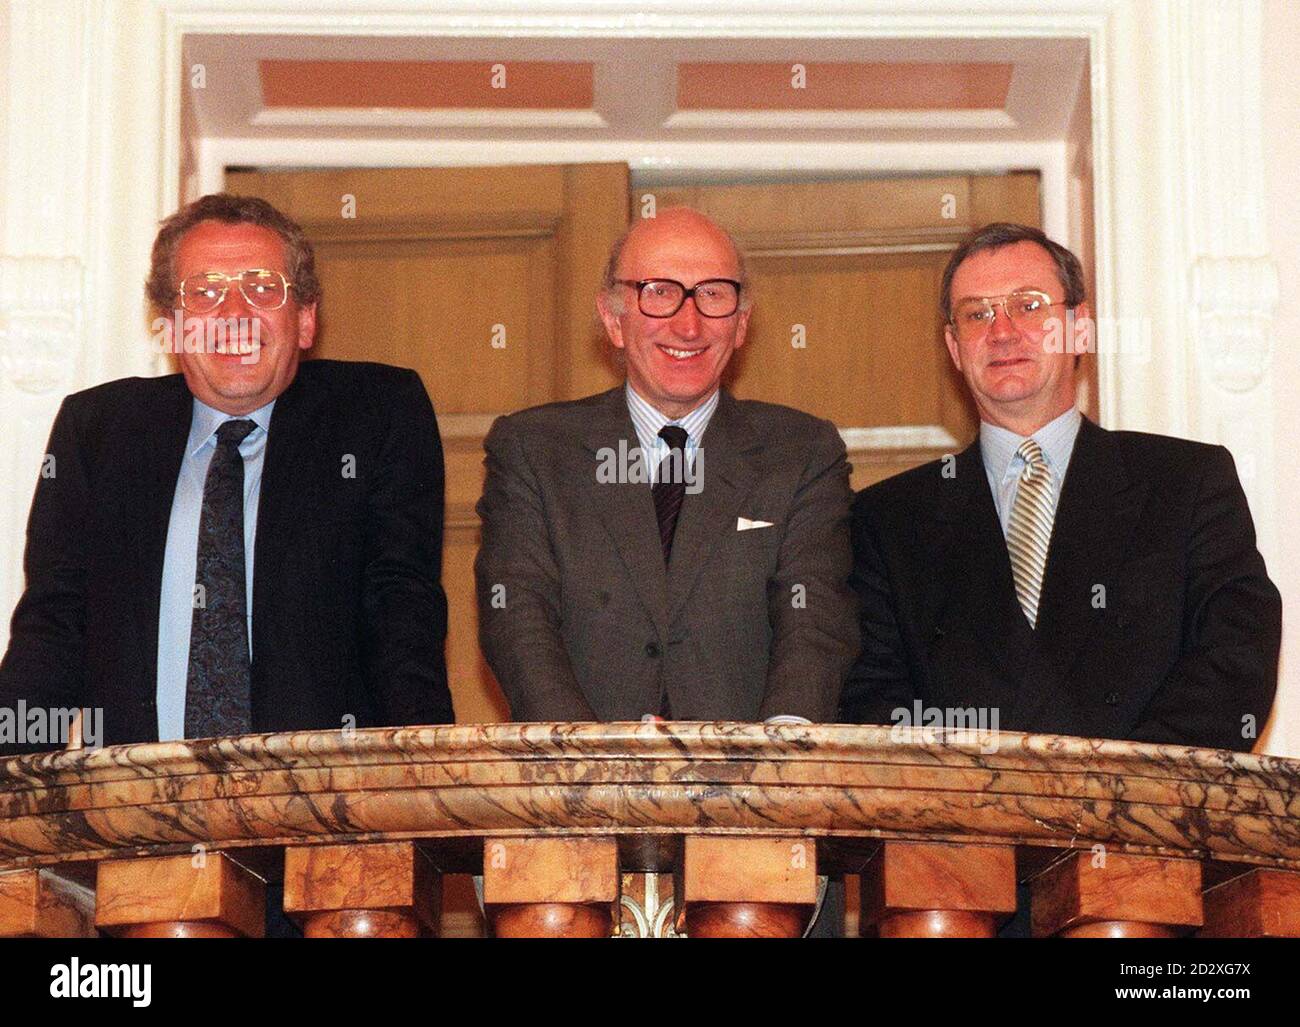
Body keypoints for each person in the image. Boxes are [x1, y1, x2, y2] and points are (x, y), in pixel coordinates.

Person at [0, 192, 454, 760]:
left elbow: (403, 620)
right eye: (205, 292)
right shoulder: (97, 430)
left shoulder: (377, 414)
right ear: (170, 327)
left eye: (263, 288)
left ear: (306, 319)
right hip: (135, 812)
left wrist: (433, 791)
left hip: (323, 815)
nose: (234, 313)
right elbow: (52, 628)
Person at [840, 222, 1280, 753]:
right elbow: (873, 703)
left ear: (1080, 328)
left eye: (1028, 306)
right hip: (966, 829)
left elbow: (1235, 662)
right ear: (954, 347)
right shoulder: (888, 518)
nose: (1001, 332)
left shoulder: (1186, 483)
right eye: (976, 314)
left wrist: (1122, 800)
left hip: (1145, 825)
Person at [475, 206, 859, 724]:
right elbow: (518, 617)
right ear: (613, 319)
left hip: (751, 788)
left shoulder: (803, 452)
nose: (689, 323)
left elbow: (815, 622)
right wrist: (589, 756)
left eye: (714, 294)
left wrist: (774, 761)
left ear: (741, 324)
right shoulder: (532, 450)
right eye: (659, 292)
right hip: (583, 785)